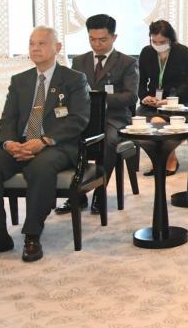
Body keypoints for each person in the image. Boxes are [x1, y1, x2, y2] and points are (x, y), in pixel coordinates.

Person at [0, 26, 91, 263]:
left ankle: (32, 235)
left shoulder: (74, 79)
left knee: (40, 167)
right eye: (32, 44)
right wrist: (8, 143)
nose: (35, 48)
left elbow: (79, 119)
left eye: (42, 43)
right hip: (21, 143)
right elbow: (8, 119)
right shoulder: (20, 81)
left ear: (57, 48)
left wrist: (44, 141)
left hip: (57, 145)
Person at [55, 14, 139, 216]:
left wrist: (99, 99)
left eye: (102, 40)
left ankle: (100, 192)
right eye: (92, 39)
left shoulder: (127, 62)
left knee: (107, 141)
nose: (97, 44)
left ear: (114, 37)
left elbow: (131, 96)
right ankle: (77, 193)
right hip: (84, 118)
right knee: (65, 138)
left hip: (114, 118)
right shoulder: (80, 61)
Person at [137, 19, 188, 175]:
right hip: (152, 105)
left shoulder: (183, 52)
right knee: (146, 119)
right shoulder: (146, 52)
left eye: (162, 42)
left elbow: (187, 83)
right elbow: (141, 81)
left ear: (171, 39)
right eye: (154, 41)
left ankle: (167, 160)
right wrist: (145, 97)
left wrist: (170, 99)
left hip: (178, 104)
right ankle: (161, 160)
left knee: (158, 121)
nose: (158, 45)